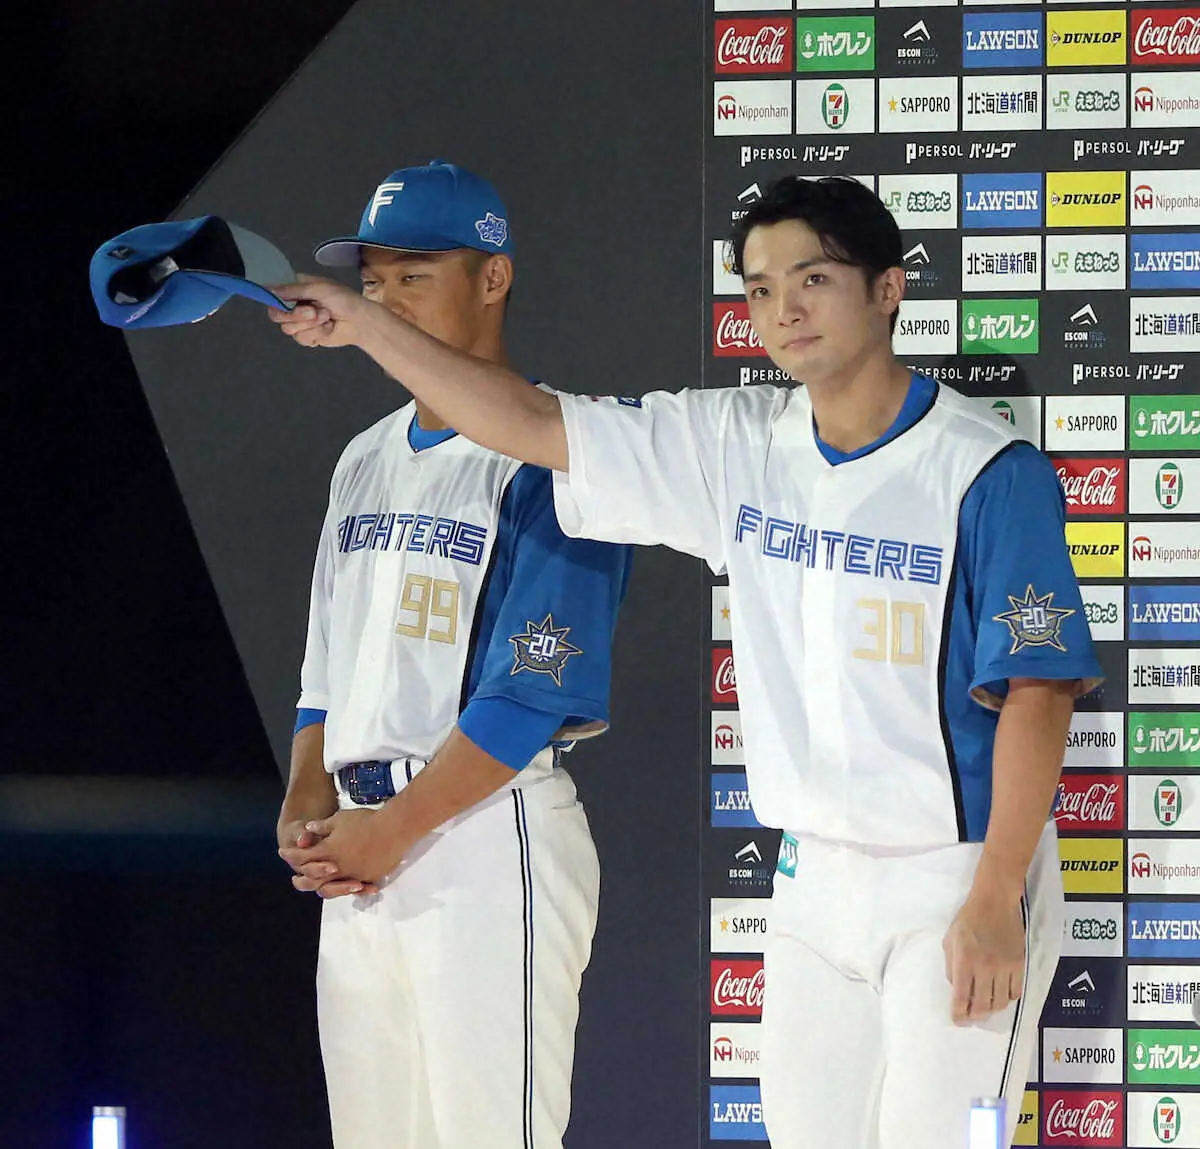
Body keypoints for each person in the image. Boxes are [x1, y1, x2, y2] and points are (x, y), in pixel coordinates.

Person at [270, 174, 1102, 1149]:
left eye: (814, 279)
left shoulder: (986, 468)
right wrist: (367, 326)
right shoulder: (737, 440)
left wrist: (996, 894)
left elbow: (1039, 693)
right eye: (760, 288)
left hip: (955, 870)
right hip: (811, 879)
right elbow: (535, 425)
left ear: (888, 288)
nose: (784, 309)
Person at [274, 159, 632, 1149]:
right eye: (373, 280)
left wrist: (392, 830)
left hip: (483, 834)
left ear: (492, 278)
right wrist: (308, 797)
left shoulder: (560, 451)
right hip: (361, 850)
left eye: (414, 275)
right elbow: (326, 667)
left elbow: (529, 697)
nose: (385, 301)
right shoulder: (364, 455)